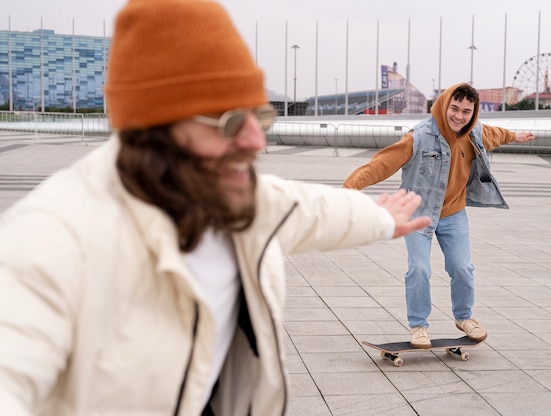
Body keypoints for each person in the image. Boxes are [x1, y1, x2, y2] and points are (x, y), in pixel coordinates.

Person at [0, 1, 432, 415]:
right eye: (228, 123)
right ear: (153, 131)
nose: (256, 142)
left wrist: (379, 219)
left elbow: (310, 209)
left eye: (258, 116)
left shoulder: (241, 199)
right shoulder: (48, 243)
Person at [344, 83, 535, 349]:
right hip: (417, 213)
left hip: (453, 213)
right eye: (454, 109)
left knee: (462, 268)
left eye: (466, 111)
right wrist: (348, 189)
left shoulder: (475, 132)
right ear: (444, 105)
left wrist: (516, 136)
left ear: (473, 113)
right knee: (419, 269)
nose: (459, 116)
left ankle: (464, 317)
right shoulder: (419, 136)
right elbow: (381, 164)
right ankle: (419, 325)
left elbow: (497, 134)